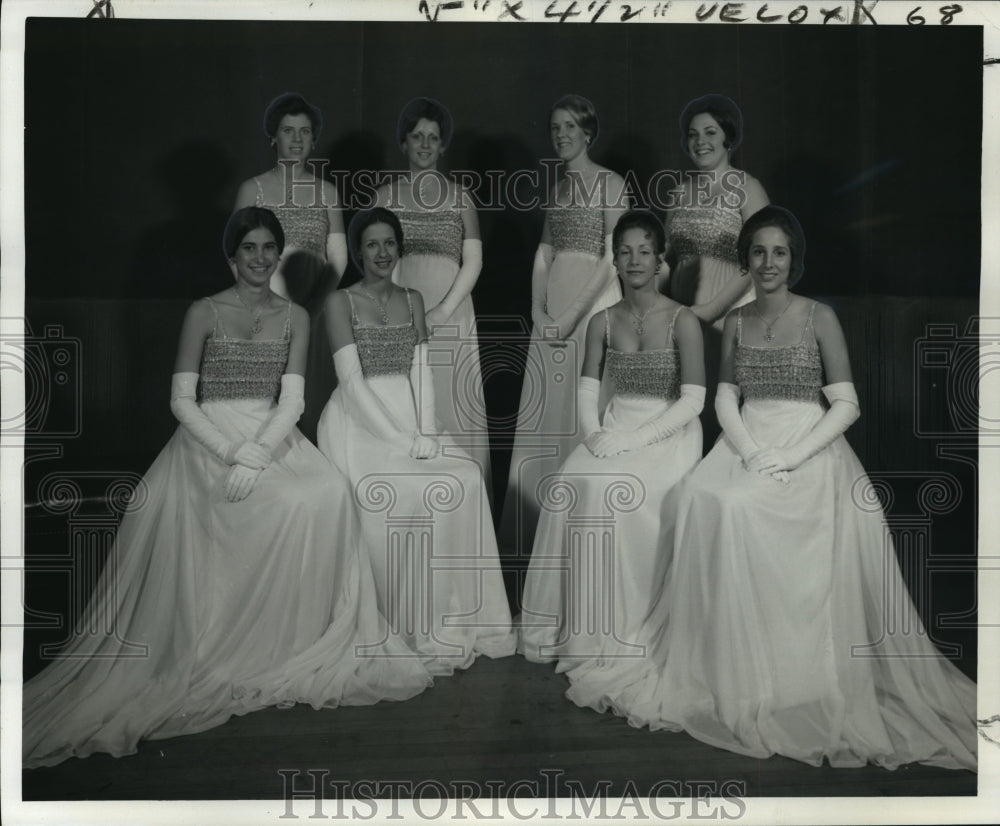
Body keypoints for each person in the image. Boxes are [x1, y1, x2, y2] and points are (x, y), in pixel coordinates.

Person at [22, 207, 432, 770]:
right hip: (211, 436)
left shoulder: (294, 315)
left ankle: (295, 640)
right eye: (250, 250)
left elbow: (292, 399)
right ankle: (234, 642)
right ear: (231, 256)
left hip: (271, 430)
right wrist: (231, 452)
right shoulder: (204, 311)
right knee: (276, 502)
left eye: (270, 249)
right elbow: (181, 401)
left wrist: (262, 449)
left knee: (328, 493)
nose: (261, 259)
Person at [570, 206, 977, 771]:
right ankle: (722, 667)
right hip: (747, 440)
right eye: (758, 252)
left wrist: (786, 454)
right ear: (746, 260)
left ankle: (786, 672)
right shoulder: (734, 322)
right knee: (697, 497)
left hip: (806, 445)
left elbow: (846, 404)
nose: (767, 263)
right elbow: (723, 398)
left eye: (778, 253)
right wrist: (750, 449)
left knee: (738, 508)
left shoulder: (819, 317)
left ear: (794, 261)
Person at [317, 207, 515, 676]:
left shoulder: (413, 299)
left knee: (464, 477)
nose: (382, 253)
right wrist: (401, 441)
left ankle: (456, 616)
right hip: (361, 423)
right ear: (359, 251)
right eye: (371, 244)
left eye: (389, 243)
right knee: (397, 492)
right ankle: (400, 622)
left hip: (412, 416)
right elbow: (352, 383)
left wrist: (426, 432)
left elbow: (422, 372)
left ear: (399, 248)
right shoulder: (339, 302)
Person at [519, 210, 704, 674]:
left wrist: (635, 439)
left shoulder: (683, 320)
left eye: (644, 251)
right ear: (614, 261)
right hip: (613, 426)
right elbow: (585, 390)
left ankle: (628, 624)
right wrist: (596, 436)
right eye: (625, 252)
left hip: (669, 434)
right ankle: (583, 627)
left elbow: (694, 400)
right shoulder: (601, 321)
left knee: (617, 496)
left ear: (660, 260)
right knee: (573, 479)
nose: (635, 260)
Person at [499, 95, 629, 555]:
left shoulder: (611, 184)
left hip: (592, 305)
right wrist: (538, 311)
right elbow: (543, 256)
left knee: (583, 407)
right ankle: (538, 546)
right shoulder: (559, 190)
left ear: (588, 132)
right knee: (547, 414)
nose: (561, 135)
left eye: (570, 126)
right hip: (552, 312)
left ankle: (582, 545)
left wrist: (572, 316)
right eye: (555, 127)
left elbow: (614, 258)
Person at [375, 97, 491, 492]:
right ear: (404, 143)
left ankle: (460, 501)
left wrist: (442, 311)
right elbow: (375, 263)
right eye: (416, 136)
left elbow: (473, 262)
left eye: (433, 137)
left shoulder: (460, 197)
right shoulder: (384, 197)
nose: (424, 144)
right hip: (400, 309)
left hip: (452, 310)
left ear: (443, 146)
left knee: (448, 398)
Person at [234, 92, 347, 303]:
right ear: (273, 137)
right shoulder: (251, 189)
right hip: (262, 306)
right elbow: (234, 252)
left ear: (313, 140)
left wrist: (317, 304)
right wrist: (255, 299)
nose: (297, 139)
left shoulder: (328, 192)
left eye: (305, 131)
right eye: (288, 130)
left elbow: (338, 258)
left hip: (313, 306)